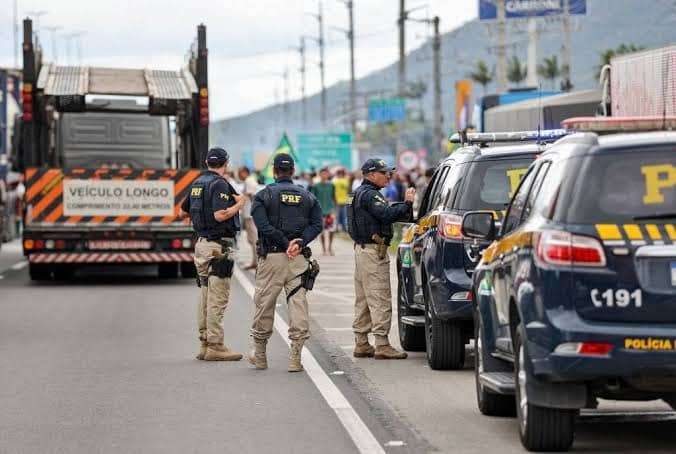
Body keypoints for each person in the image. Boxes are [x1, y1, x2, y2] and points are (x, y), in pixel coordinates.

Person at [249, 153, 323, 372]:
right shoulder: (308, 196)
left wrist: (283, 242)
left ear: (274, 171)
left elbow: (262, 226)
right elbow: (317, 225)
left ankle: (260, 356)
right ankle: (295, 358)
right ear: (292, 171)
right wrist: (298, 243)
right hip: (298, 259)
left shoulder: (263, 195)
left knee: (264, 304)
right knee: (298, 303)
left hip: (272, 258)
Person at [180, 147, 245, 362]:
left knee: (205, 294)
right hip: (219, 246)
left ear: (207, 162)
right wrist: (239, 204)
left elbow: (183, 210)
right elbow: (220, 215)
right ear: (226, 163)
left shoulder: (198, 183)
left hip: (201, 245)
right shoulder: (219, 184)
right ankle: (216, 345)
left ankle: (204, 343)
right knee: (218, 296)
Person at [347, 159, 415, 360]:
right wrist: (408, 203)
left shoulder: (356, 193)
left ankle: (361, 343)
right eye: (384, 172)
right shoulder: (370, 195)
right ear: (371, 174)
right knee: (379, 297)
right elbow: (385, 214)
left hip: (362, 250)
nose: (388, 176)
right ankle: (382, 345)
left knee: (364, 300)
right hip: (373, 251)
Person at [310, 167, 337, 255]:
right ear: (320, 175)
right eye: (323, 173)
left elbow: (334, 198)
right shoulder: (316, 186)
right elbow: (313, 199)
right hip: (320, 212)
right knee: (321, 231)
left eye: (326, 173)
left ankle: (330, 247)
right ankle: (324, 249)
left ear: (328, 175)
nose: (324, 175)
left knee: (332, 230)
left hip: (330, 211)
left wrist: (334, 210)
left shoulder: (331, 185)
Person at [238, 166, 260, 270]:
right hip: (248, 215)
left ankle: (257, 262)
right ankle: (254, 261)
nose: (238, 175)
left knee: (254, 239)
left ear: (244, 172)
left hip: (250, 215)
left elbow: (252, 196)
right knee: (251, 239)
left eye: (240, 173)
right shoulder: (248, 181)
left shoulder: (249, 181)